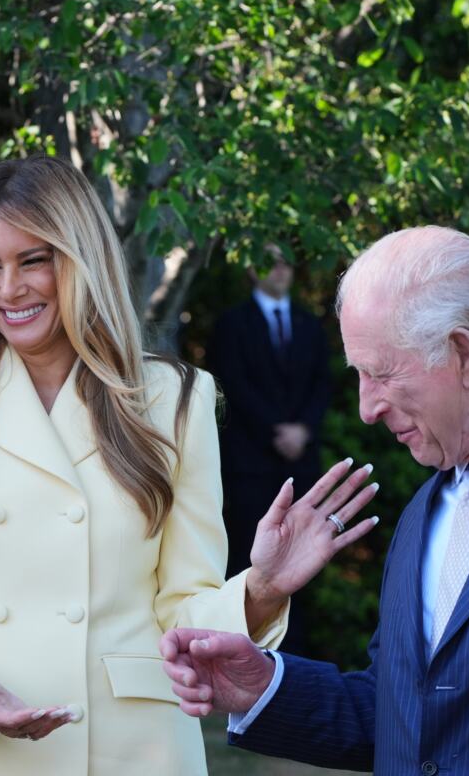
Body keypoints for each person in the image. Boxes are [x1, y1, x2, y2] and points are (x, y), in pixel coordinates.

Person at [0, 156, 379, 775]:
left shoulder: (174, 399)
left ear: (81, 260)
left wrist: (261, 589)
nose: (8, 289)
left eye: (33, 261)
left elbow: (182, 605)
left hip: (131, 748)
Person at [162, 226, 469, 774]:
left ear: (464, 354)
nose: (366, 408)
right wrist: (265, 686)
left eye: (380, 373)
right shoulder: (424, 513)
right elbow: (403, 716)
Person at [207, 247, 330, 653]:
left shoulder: (309, 324)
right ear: (251, 269)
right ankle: (247, 652)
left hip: (301, 465)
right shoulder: (232, 324)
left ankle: (296, 658)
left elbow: (322, 384)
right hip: (250, 465)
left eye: (285, 262)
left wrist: (303, 430)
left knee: (304, 560)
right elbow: (231, 385)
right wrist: (276, 431)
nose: (279, 269)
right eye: (269, 261)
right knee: (250, 561)